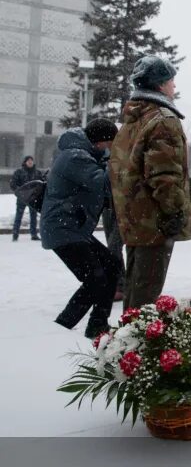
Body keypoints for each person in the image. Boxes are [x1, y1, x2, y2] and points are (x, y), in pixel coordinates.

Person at [109, 55, 191, 309]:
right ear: (160, 85)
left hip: (134, 220)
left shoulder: (133, 120)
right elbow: (164, 175)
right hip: (155, 221)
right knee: (146, 298)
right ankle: (135, 346)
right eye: (171, 81)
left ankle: (126, 343)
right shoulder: (163, 120)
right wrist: (174, 211)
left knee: (135, 291)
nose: (174, 87)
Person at [41, 119, 119, 338]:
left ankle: (98, 325)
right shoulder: (75, 157)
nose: (112, 149)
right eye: (111, 144)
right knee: (95, 280)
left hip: (73, 228)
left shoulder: (85, 155)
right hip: (62, 229)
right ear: (100, 142)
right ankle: (62, 326)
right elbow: (104, 183)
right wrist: (117, 161)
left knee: (111, 266)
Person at [10, 155, 43, 241]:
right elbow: (13, 183)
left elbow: (41, 183)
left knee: (33, 216)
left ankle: (34, 234)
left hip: (33, 198)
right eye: (28, 161)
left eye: (31, 160)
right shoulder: (19, 172)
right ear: (25, 162)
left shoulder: (37, 173)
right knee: (19, 215)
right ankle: (15, 234)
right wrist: (19, 192)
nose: (30, 162)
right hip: (22, 198)